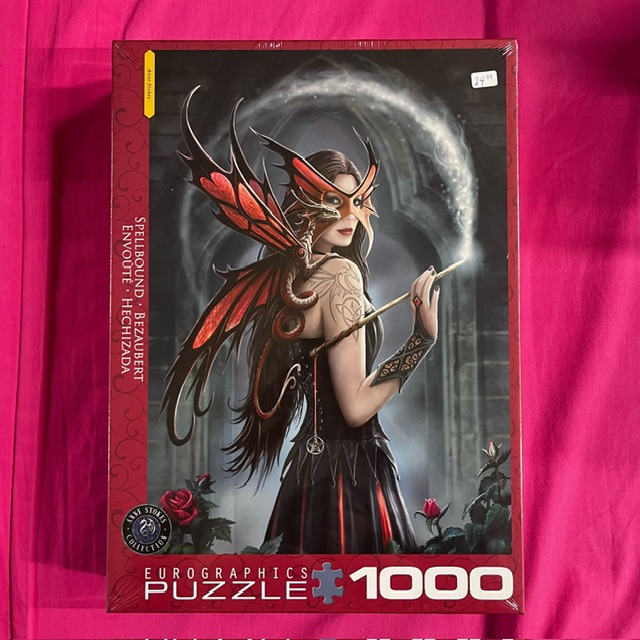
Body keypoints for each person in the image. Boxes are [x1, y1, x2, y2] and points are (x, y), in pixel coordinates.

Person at [164, 91, 439, 554]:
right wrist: (420, 341)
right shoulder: (341, 274)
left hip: (312, 470)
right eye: (333, 200)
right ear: (306, 204)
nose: (349, 215)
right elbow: (355, 408)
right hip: (353, 473)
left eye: (356, 201)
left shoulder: (295, 275)